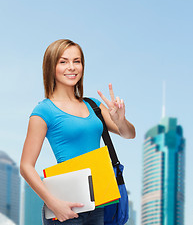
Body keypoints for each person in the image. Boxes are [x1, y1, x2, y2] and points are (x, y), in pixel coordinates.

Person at [20, 39, 136, 225]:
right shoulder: (43, 111)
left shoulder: (93, 105)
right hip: (65, 206)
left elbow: (129, 134)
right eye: (63, 61)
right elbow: (26, 166)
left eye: (77, 61)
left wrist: (120, 120)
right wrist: (53, 203)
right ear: (51, 67)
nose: (72, 67)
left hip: (99, 202)